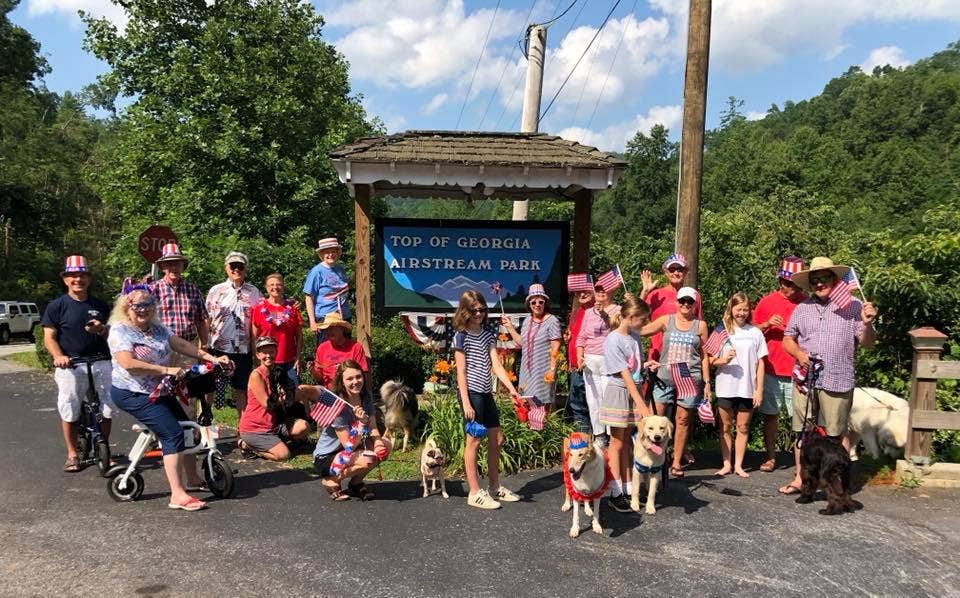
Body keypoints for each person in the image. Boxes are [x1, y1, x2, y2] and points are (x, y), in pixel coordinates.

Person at [107, 287, 231, 511]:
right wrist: (166, 370)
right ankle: (177, 494)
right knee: (172, 433)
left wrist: (213, 358)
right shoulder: (120, 331)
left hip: (159, 390)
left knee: (186, 429)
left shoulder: (157, 329)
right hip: (132, 393)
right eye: (137, 305)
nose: (143, 309)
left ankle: (193, 478)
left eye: (148, 304)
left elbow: (181, 344)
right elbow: (128, 364)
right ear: (127, 307)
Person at [778, 257, 877, 496]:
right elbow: (787, 339)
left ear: (834, 279)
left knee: (835, 433)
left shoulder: (853, 306)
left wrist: (868, 323)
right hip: (805, 378)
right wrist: (800, 354)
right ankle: (802, 480)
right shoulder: (802, 308)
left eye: (823, 279)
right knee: (802, 433)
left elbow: (868, 343)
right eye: (814, 280)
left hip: (838, 377)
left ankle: (840, 484)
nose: (819, 284)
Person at [41, 255, 115, 472]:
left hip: (101, 361)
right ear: (65, 280)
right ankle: (72, 453)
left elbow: (114, 334)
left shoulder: (100, 305)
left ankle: (104, 449)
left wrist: (101, 329)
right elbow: (49, 337)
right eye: (73, 276)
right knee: (70, 407)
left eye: (82, 275)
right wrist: (58, 356)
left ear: (88, 279)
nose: (78, 280)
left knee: (108, 407)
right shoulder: (57, 306)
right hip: (71, 364)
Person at [453, 290, 522, 510]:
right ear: (465, 311)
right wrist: (465, 402)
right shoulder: (461, 336)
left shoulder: (488, 333)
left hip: (485, 392)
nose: (479, 314)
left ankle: (494, 486)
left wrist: (512, 389)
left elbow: (497, 366)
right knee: (473, 440)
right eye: (474, 310)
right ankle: (474, 492)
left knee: (497, 438)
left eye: (482, 309)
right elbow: (461, 372)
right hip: (471, 393)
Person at [640, 286, 710, 478]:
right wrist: (641, 297)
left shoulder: (700, 325)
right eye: (682, 301)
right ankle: (655, 459)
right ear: (677, 302)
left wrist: (707, 382)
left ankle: (676, 461)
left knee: (683, 420)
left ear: (695, 304)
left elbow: (704, 355)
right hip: (664, 377)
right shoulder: (666, 320)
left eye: (690, 301)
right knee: (655, 420)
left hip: (689, 379)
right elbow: (640, 329)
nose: (686, 304)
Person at [600, 295, 655, 512]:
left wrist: (646, 366)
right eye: (642, 319)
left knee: (629, 443)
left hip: (635, 389)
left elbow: (634, 368)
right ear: (631, 317)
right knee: (617, 443)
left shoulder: (634, 336)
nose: (644, 324)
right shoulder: (613, 339)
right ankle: (615, 490)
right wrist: (642, 404)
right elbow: (624, 374)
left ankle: (629, 487)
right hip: (620, 391)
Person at [752, 257, 807, 472]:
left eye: (792, 283)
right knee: (770, 415)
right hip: (771, 367)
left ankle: (802, 462)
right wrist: (766, 324)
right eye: (784, 281)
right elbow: (750, 331)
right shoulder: (767, 302)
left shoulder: (806, 303)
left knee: (801, 419)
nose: (787, 287)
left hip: (797, 369)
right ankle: (770, 456)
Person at [307, 360, 389, 501]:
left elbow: (374, 427)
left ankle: (356, 483)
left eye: (358, 377)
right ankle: (331, 480)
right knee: (367, 459)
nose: (355, 381)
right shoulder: (337, 404)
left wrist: (378, 443)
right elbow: (348, 446)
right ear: (342, 381)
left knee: (386, 445)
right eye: (349, 378)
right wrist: (362, 423)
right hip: (327, 456)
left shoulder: (366, 395)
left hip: (349, 451)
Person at [710, 292, 767, 478]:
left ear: (749, 310)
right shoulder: (722, 330)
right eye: (738, 309)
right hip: (725, 386)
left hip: (747, 388)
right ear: (731, 309)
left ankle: (739, 465)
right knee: (725, 427)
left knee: (743, 428)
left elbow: (761, 363)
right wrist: (722, 360)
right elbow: (708, 359)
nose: (741, 313)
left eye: (745, 309)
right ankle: (726, 463)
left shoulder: (755, 332)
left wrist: (759, 389)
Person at [150, 243, 209, 414]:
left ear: (182, 266)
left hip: (188, 347)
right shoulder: (154, 290)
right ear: (162, 267)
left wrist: (204, 345)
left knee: (188, 390)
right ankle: (163, 431)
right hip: (162, 347)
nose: (173, 267)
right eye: (169, 263)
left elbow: (202, 318)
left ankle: (189, 429)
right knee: (160, 388)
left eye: (177, 263)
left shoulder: (192, 290)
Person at [206, 251, 262, 414]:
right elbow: (206, 318)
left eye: (240, 266)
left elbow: (263, 317)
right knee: (210, 387)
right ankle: (205, 422)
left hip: (242, 350)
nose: (236, 269)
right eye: (233, 266)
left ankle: (242, 430)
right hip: (217, 348)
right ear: (226, 268)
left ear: (245, 269)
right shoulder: (216, 291)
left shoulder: (254, 292)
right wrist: (203, 344)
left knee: (241, 389)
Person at [238, 336, 310, 461]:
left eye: (271, 351)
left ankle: (277, 442)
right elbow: (267, 404)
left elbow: (292, 389)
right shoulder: (256, 375)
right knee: (283, 455)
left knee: (304, 426)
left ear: (276, 352)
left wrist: (301, 394)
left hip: (274, 424)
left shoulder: (277, 371)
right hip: (255, 428)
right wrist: (287, 397)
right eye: (264, 352)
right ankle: (249, 446)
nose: (268, 355)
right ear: (258, 355)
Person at [501, 283, 561, 411]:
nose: (537, 305)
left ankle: (544, 430)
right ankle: (530, 429)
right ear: (529, 304)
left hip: (543, 371)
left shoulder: (552, 321)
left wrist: (552, 370)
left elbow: (555, 349)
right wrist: (510, 327)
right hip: (526, 371)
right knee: (526, 404)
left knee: (542, 405)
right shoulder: (528, 320)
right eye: (533, 302)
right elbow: (522, 343)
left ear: (545, 303)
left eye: (540, 301)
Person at [575, 283, 621, 447]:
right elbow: (581, 338)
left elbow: (617, 328)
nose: (601, 292)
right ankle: (599, 435)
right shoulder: (587, 312)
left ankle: (612, 436)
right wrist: (580, 356)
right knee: (593, 400)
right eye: (598, 289)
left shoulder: (618, 310)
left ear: (612, 290)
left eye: (605, 289)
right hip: (590, 361)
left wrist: (603, 314)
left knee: (609, 399)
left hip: (610, 361)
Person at [640, 253, 703, 363]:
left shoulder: (694, 296)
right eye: (672, 269)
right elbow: (633, 316)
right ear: (665, 272)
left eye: (680, 269)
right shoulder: (656, 295)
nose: (676, 273)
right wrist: (644, 292)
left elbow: (699, 328)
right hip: (657, 356)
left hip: (685, 357)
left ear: (686, 271)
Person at [251, 273, 303, 387]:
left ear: (283, 286)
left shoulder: (293, 308)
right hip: (267, 360)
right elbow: (254, 337)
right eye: (271, 285)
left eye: (279, 284)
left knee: (295, 393)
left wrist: (298, 358)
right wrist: (256, 358)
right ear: (266, 287)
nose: (275, 287)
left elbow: (299, 336)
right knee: (270, 395)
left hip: (289, 360)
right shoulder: (258, 309)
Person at [303, 237, 350, 347]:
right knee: (327, 350)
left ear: (338, 253)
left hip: (343, 316)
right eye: (327, 252)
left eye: (333, 251)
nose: (330, 255)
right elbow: (309, 297)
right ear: (321, 254)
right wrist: (312, 322)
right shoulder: (316, 272)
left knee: (345, 349)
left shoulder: (340, 269)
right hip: (325, 318)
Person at [564, 282, 595, 434]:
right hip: (575, 367)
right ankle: (584, 442)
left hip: (591, 366)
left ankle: (599, 443)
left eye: (586, 291)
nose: (582, 294)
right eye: (578, 292)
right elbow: (574, 337)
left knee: (593, 405)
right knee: (577, 406)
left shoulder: (598, 311)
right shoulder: (575, 312)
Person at [310, 312, 369, 390]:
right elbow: (319, 379)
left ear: (341, 329)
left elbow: (363, 373)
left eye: (332, 328)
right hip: (329, 393)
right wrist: (312, 369)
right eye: (327, 329)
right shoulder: (322, 348)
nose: (329, 331)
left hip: (350, 390)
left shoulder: (355, 347)